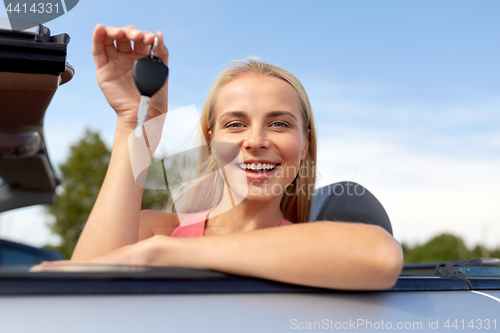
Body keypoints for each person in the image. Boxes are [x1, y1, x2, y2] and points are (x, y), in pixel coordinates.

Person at [38, 24, 403, 290]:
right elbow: (81, 293)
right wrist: (134, 126)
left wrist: (161, 257)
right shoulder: (154, 230)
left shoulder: (314, 249)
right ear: (211, 141)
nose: (255, 140)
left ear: (305, 145)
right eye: (235, 124)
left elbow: (382, 256)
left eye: (279, 124)